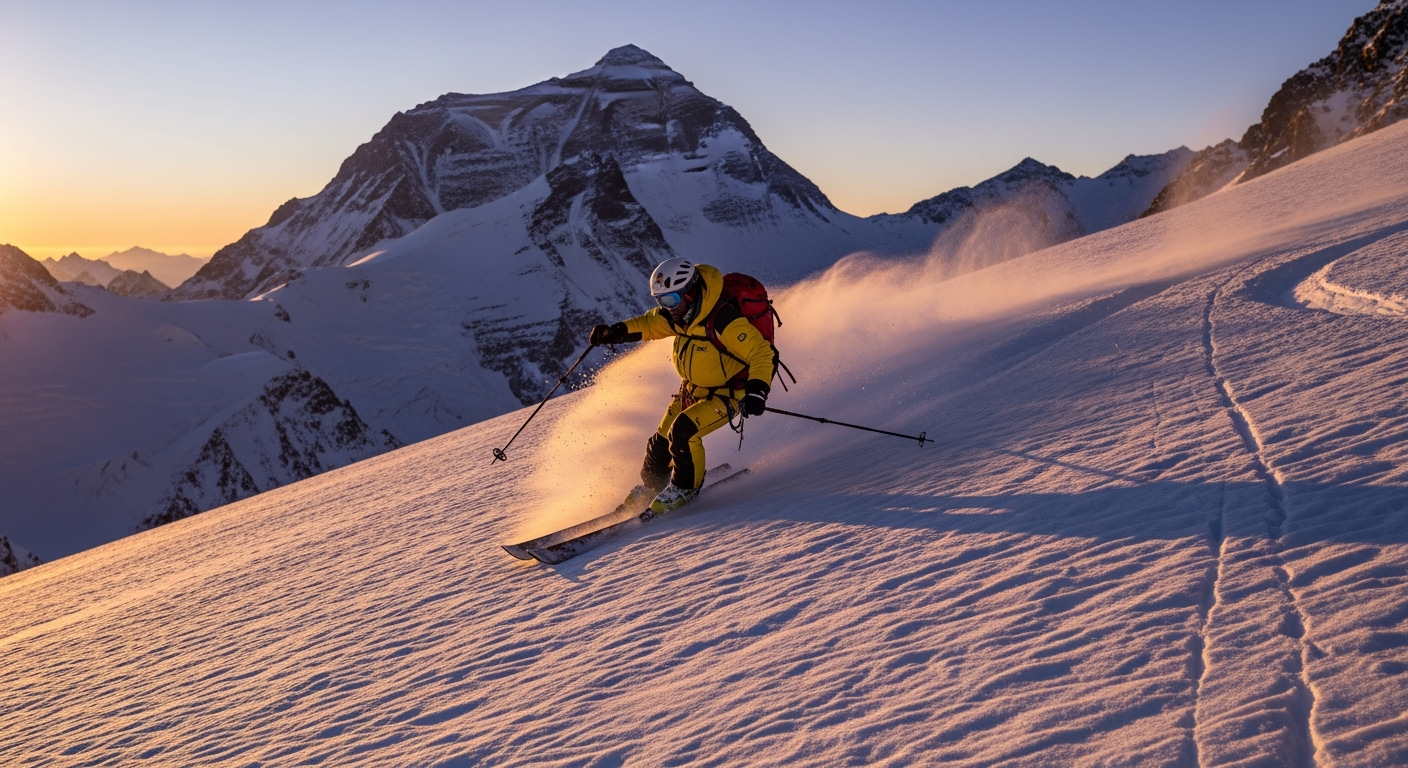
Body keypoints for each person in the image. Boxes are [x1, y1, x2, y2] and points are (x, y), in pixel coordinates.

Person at [589, 257, 776, 515]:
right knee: (659, 444)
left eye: (670, 300)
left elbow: (761, 353)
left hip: (728, 395)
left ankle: (685, 488)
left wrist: (757, 391)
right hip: (691, 390)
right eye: (661, 301)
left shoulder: (723, 320)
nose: (666, 308)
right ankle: (653, 485)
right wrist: (615, 332)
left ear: (689, 293)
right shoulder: (680, 315)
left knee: (683, 432)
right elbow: (649, 324)